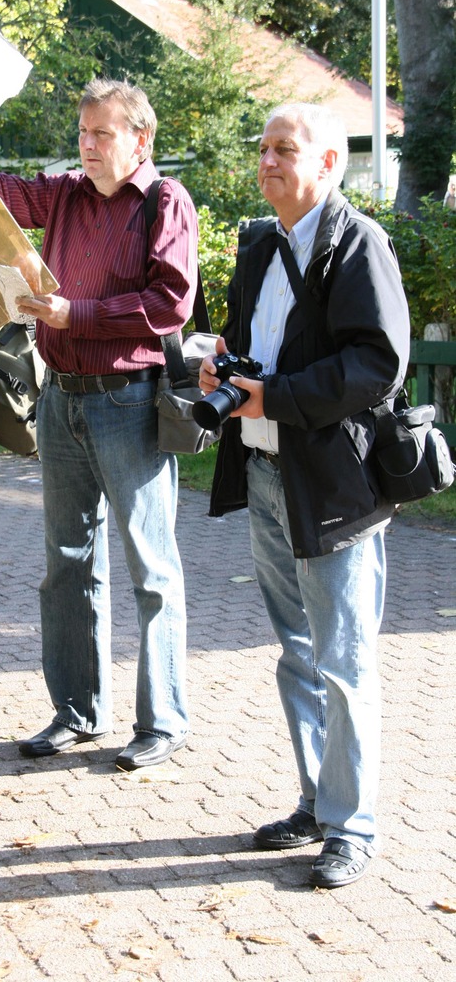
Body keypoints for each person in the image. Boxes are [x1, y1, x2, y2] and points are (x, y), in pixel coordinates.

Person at [0, 64, 198, 771]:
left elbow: (170, 302)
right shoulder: (67, 195)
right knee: (67, 566)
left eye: (102, 133)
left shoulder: (166, 201)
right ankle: (78, 712)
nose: (88, 144)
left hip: (129, 403)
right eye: (83, 132)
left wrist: (73, 313)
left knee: (151, 568)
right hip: (62, 401)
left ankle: (162, 720)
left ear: (140, 140)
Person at [199, 103, 410, 888]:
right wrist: (225, 368)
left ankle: (352, 826)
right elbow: (257, 344)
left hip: (332, 485)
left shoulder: (359, 242)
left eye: (285, 149)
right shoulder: (260, 243)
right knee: (296, 652)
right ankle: (319, 800)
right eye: (263, 148)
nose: (268, 160)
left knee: (344, 660)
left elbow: (377, 362)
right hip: (264, 473)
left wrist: (275, 396)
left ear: (329, 164)